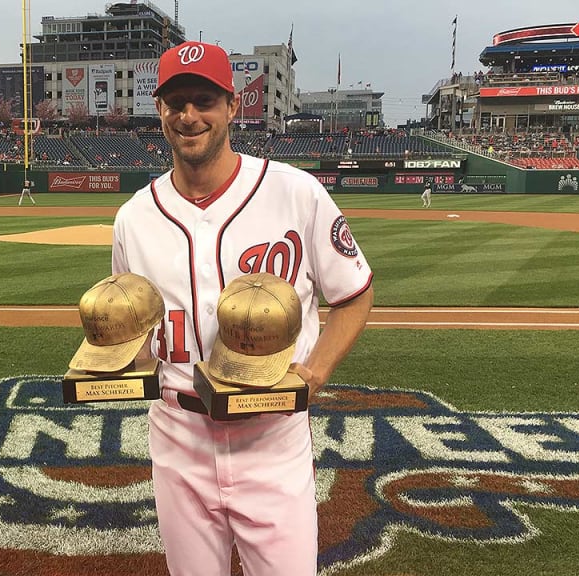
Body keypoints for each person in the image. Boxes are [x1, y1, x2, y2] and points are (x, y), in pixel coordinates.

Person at [110, 41, 374, 576]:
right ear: (159, 110)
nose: (189, 116)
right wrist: (112, 365)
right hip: (177, 438)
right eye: (176, 102)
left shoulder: (296, 193)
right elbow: (135, 333)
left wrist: (316, 372)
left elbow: (353, 294)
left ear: (233, 106)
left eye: (204, 100)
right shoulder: (133, 218)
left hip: (271, 437)